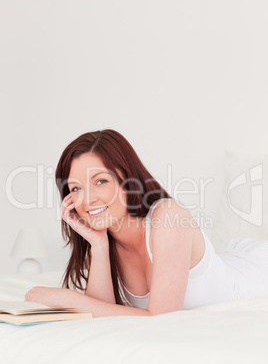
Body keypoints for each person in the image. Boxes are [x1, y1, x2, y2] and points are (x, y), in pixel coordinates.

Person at [25, 129, 268, 317]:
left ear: (127, 180)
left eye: (100, 181)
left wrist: (70, 300)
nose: (87, 199)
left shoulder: (168, 217)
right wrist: (98, 245)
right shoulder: (106, 241)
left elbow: (162, 318)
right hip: (226, 258)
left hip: (257, 269)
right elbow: (102, 316)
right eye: (76, 188)